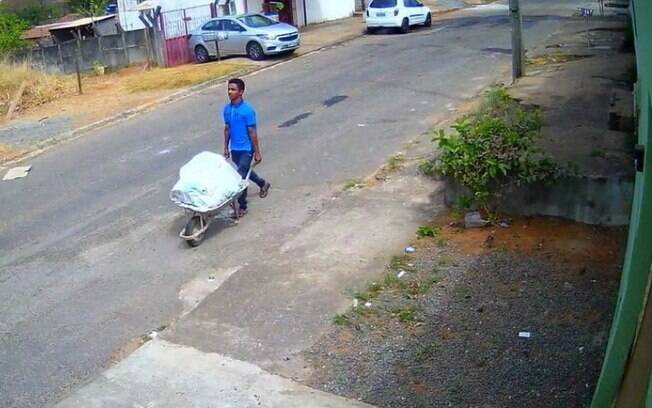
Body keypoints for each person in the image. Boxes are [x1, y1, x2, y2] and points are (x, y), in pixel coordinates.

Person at [223, 78, 271, 216]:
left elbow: (252, 132)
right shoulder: (227, 110)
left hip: (246, 149)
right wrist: (226, 148)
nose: (230, 92)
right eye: (229, 89)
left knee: (240, 177)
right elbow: (227, 129)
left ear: (241, 92)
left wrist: (257, 152)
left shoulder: (247, 110)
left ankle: (242, 206)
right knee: (245, 172)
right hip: (235, 150)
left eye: (233, 89)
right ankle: (263, 184)